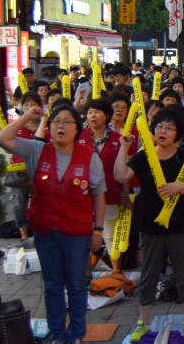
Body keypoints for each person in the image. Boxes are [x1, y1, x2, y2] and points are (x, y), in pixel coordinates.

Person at [0, 104, 106, 344]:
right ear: (49, 126)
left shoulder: (89, 156)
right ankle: (58, 334)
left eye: (68, 121)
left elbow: (98, 194)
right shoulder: (37, 150)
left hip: (77, 233)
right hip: (46, 231)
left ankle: (76, 334)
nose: (61, 126)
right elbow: (3, 138)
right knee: (53, 286)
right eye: (56, 121)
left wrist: (98, 230)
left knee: (77, 285)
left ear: (77, 128)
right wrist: (28, 116)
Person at [114, 108, 184, 342]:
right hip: (149, 225)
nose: (163, 131)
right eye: (159, 127)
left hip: (181, 225)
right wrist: (123, 148)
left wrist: (179, 187)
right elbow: (120, 175)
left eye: (169, 128)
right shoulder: (144, 155)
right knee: (148, 276)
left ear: (178, 134)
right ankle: (142, 322)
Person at [79, 98, 128, 274]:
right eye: (90, 112)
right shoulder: (79, 136)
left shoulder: (118, 139)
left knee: (108, 234)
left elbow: (124, 168)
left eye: (97, 112)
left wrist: (126, 194)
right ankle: (84, 273)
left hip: (110, 193)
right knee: (83, 233)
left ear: (106, 115)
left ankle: (117, 272)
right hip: (82, 195)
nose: (92, 115)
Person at [7, 92, 43, 243]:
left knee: (41, 204)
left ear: (40, 107)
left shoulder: (46, 125)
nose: (29, 108)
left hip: (40, 172)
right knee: (18, 205)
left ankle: (40, 234)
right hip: (18, 171)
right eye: (26, 104)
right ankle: (24, 236)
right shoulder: (17, 125)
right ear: (21, 107)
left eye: (33, 104)